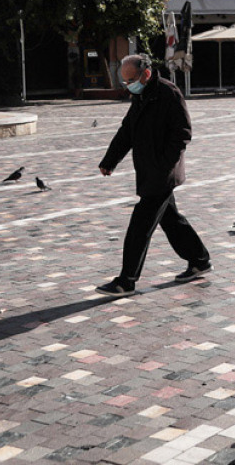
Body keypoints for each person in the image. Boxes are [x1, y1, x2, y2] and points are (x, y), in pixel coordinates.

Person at [95, 53, 211, 297]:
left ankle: (126, 281)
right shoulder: (141, 95)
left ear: (145, 74)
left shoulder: (169, 94)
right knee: (171, 221)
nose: (128, 86)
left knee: (140, 226)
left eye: (131, 80)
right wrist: (110, 160)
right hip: (148, 171)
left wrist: (164, 166)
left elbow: (183, 133)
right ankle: (199, 260)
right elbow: (127, 131)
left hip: (162, 174)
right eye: (125, 82)